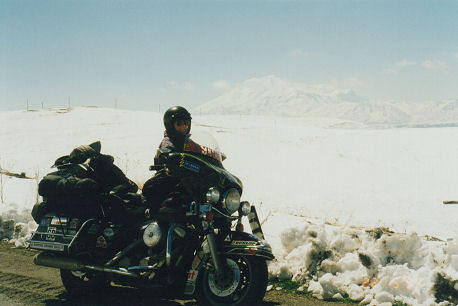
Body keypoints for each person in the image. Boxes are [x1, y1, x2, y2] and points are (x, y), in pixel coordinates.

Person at [143, 106, 192, 211]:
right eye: (179, 124)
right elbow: (167, 155)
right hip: (171, 178)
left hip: (188, 177)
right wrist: (170, 156)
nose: (183, 127)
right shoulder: (168, 141)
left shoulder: (189, 141)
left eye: (186, 123)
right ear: (170, 125)